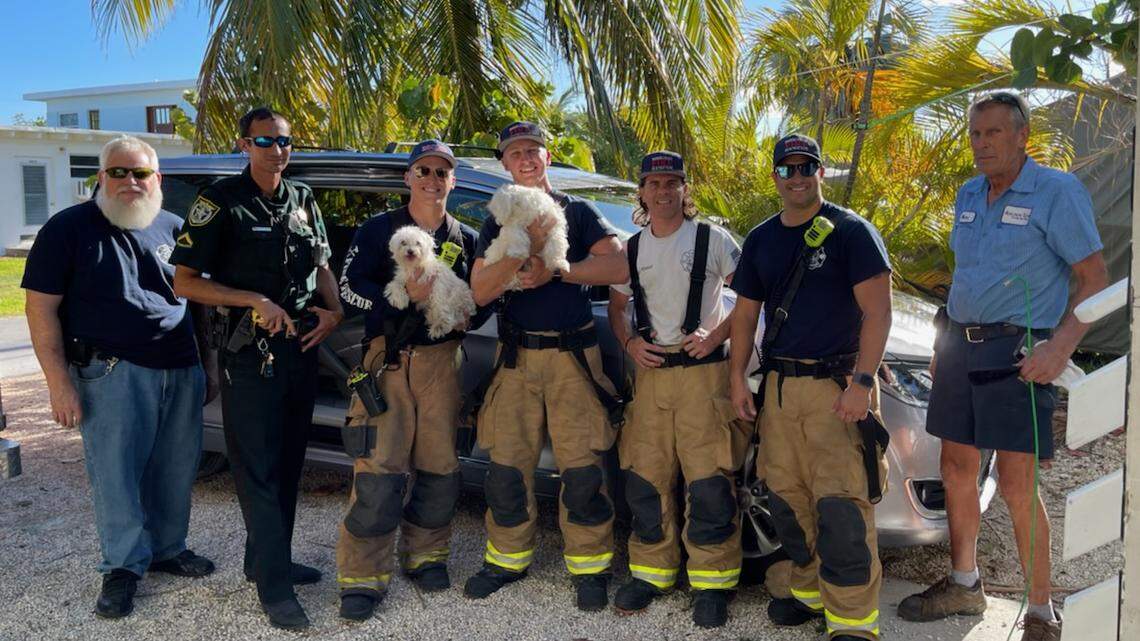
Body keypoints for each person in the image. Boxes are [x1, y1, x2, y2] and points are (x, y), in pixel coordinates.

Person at [897, 92, 1107, 641]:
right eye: (975, 134)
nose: (982, 143)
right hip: (958, 348)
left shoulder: (1055, 192)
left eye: (993, 133)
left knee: (1016, 484)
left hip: (1019, 356)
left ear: (1022, 136)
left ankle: (1041, 613)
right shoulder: (970, 193)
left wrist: (1060, 347)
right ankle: (965, 585)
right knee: (956, 469)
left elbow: (1095, 279)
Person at [23, 136, 216, 619]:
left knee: (176, 468)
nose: (131, 181)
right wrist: (58, 383)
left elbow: (199, 307)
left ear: (158, 180)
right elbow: (40, 308)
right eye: (119, 172)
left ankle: (169, 549)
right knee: (116, 474)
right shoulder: (67, 229)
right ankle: (124, 566)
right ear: (101, 177)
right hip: (109, 371)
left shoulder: (173, 227)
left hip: (179, 366)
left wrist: (206, 368)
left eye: (141, 173)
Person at [169, 107, 344, 630]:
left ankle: (266, 558)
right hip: (251, 355)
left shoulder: (303, 198)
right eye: (265, 141)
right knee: (258, 468)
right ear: (244, 144)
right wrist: (250, 299)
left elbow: (321, 263)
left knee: (290, 460)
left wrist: (333, 312)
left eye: (285, 142)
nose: (277, 150)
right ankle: (275, 587)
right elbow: (185, 282)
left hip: (300, 347)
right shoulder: (219, 201)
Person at [728, 134, 893, 641]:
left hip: (836, 387)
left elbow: (878, 312)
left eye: (807, 167)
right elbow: (745, 314)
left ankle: (852, 623)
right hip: (779, 389)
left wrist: (862, 384)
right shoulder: (760, 239)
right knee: (788, 503)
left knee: (841, 508)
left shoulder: (850, 232)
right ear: (775, 175)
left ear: (821, 173)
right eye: (787, 168)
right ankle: (807, 593)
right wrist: (737, 376)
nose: (797, 177)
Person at [462, 121, 628, 611]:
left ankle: (591, 567)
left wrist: (559, 269)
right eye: (516, 154)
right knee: (507, 469)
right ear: (506, 165)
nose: (526, 159)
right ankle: (506, 561)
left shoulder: (578, 212)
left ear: (547, 157)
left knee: (582, 471)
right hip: (515, 359)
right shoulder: (499, 218)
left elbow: (619, 267)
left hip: (572, 358)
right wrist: (521, 262)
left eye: (533, 151)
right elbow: (479, 290)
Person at [334, 140, 488, 621]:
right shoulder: (379, 229)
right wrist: (395, 301)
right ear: (408, 178)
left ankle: (426, 557)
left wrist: (467, 316)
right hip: (389, 363)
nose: (432, 178)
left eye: (442, 172)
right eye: (422, 169)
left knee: (441, 468)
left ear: (453, 182)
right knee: (379, 470)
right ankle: (362, 577)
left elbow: (482, 301)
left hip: (444, 362)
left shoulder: (466, 238)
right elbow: (347, 288)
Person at [606, 151, 746, 627]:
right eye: (655, 183)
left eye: (673, 183)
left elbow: (750, 301)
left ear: (685, 190)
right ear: (642, 192)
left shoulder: (714, 240)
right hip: (651, 378)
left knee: (709, 480)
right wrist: (628, 342)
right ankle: (651, 572)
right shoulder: (631, 248)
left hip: (704, 376)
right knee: (646, 476)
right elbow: (617, 307)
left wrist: (715, 335)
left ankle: (712, 582)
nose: (664, 192)